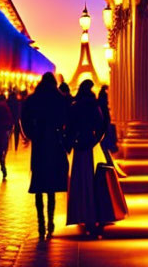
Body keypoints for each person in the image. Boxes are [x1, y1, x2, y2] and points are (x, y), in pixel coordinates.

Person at [21, 72, 69, 240]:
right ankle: (50, 222)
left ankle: (40, 222)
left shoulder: (33, 99)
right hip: (55, 143)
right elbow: (67, 119)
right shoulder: (59, 98)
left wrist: (31, 135)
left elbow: (24, 119)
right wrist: (65, 139)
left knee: (39, 184)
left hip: (39, 143)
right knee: (51, 187)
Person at [66, 79, 106, 236]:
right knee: (91, 181)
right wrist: (95, 141)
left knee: (79, 180)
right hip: (89, 143)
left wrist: (69, 143)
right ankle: (92, 215)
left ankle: (80, 213)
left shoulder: (75, 106)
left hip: (79, 145)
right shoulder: (94, 106)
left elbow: (69, 127)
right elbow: (101, 126)